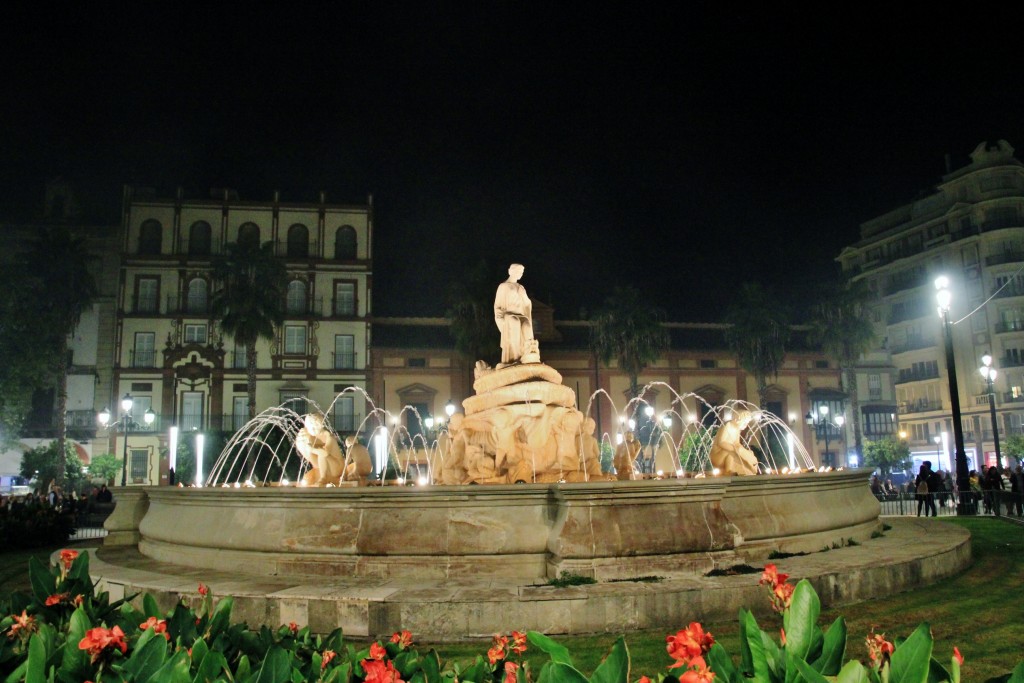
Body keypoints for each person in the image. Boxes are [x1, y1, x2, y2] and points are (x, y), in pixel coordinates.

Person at [493, 263, 535, 366]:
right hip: (509, 315)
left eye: (521, 272)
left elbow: (527, 304)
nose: (520, 274)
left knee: (527, 325)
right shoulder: (503, 286)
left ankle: (528, 353)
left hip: (521, 314)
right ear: (511, 271)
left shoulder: (521, 287)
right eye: (518, 271)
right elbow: (497, 306)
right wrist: (500, 320)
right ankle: (516, 356)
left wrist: (524, 298)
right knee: (514, 322)